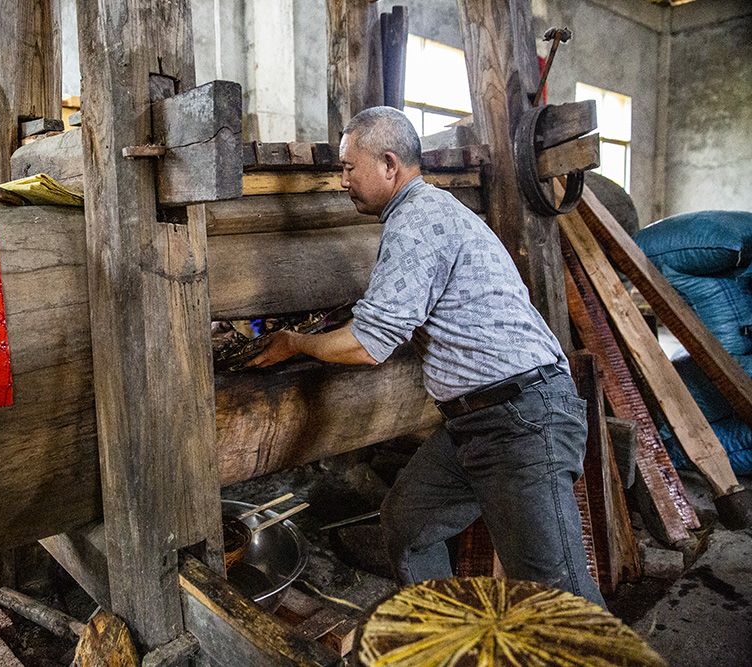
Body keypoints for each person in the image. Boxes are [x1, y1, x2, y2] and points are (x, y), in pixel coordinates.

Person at [248, 106, 605, 607]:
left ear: (389, 165)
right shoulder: (426, 212)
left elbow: (368, 345)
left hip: (521, 418)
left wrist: (294, 342)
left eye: (349, 167)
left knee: (557, 594)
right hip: (477, 424)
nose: (342, 178)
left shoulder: (415, 220)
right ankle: (448, 641)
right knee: (408, 523)